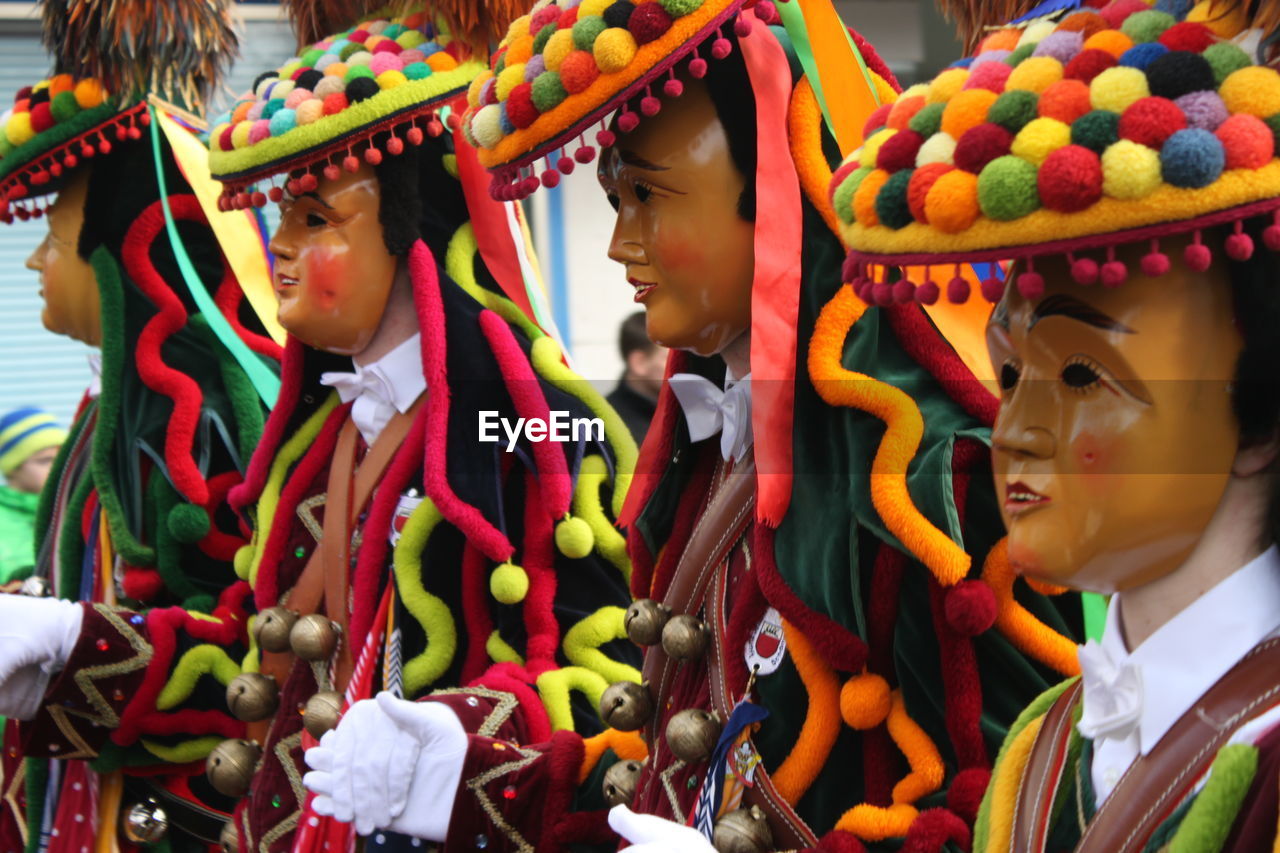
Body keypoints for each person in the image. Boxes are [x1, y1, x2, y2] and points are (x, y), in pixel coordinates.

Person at [302, 1, 1084, 850]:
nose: (617, 244)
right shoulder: (705, 455)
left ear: (777, 187)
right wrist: (467, 771)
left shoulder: (927, 474)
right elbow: (670, 764)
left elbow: (1015, 808)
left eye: (648, 194)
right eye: (613, 199)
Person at [840, 1, 1280, 849]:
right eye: (1010, 375)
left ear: (1257, 412)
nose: (1016, 431)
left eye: (1081, 373)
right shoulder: (1043, 745)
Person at [0, 0, 284, 847]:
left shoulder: (202, 428)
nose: (35, 260)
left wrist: (68, 640)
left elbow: (245, 655)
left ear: (121, 255)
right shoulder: (108, 415)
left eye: (55, 237)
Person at [0, 407, 66, 585]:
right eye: (45, 460)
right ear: (13, 467)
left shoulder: (70, 509)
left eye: (61, 459)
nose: (57, 469)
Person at [607, 311, 666, 442]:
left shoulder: (686, 414)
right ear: (639, 363)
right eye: (668, 359)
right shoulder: (606, 427)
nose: (679, 367)